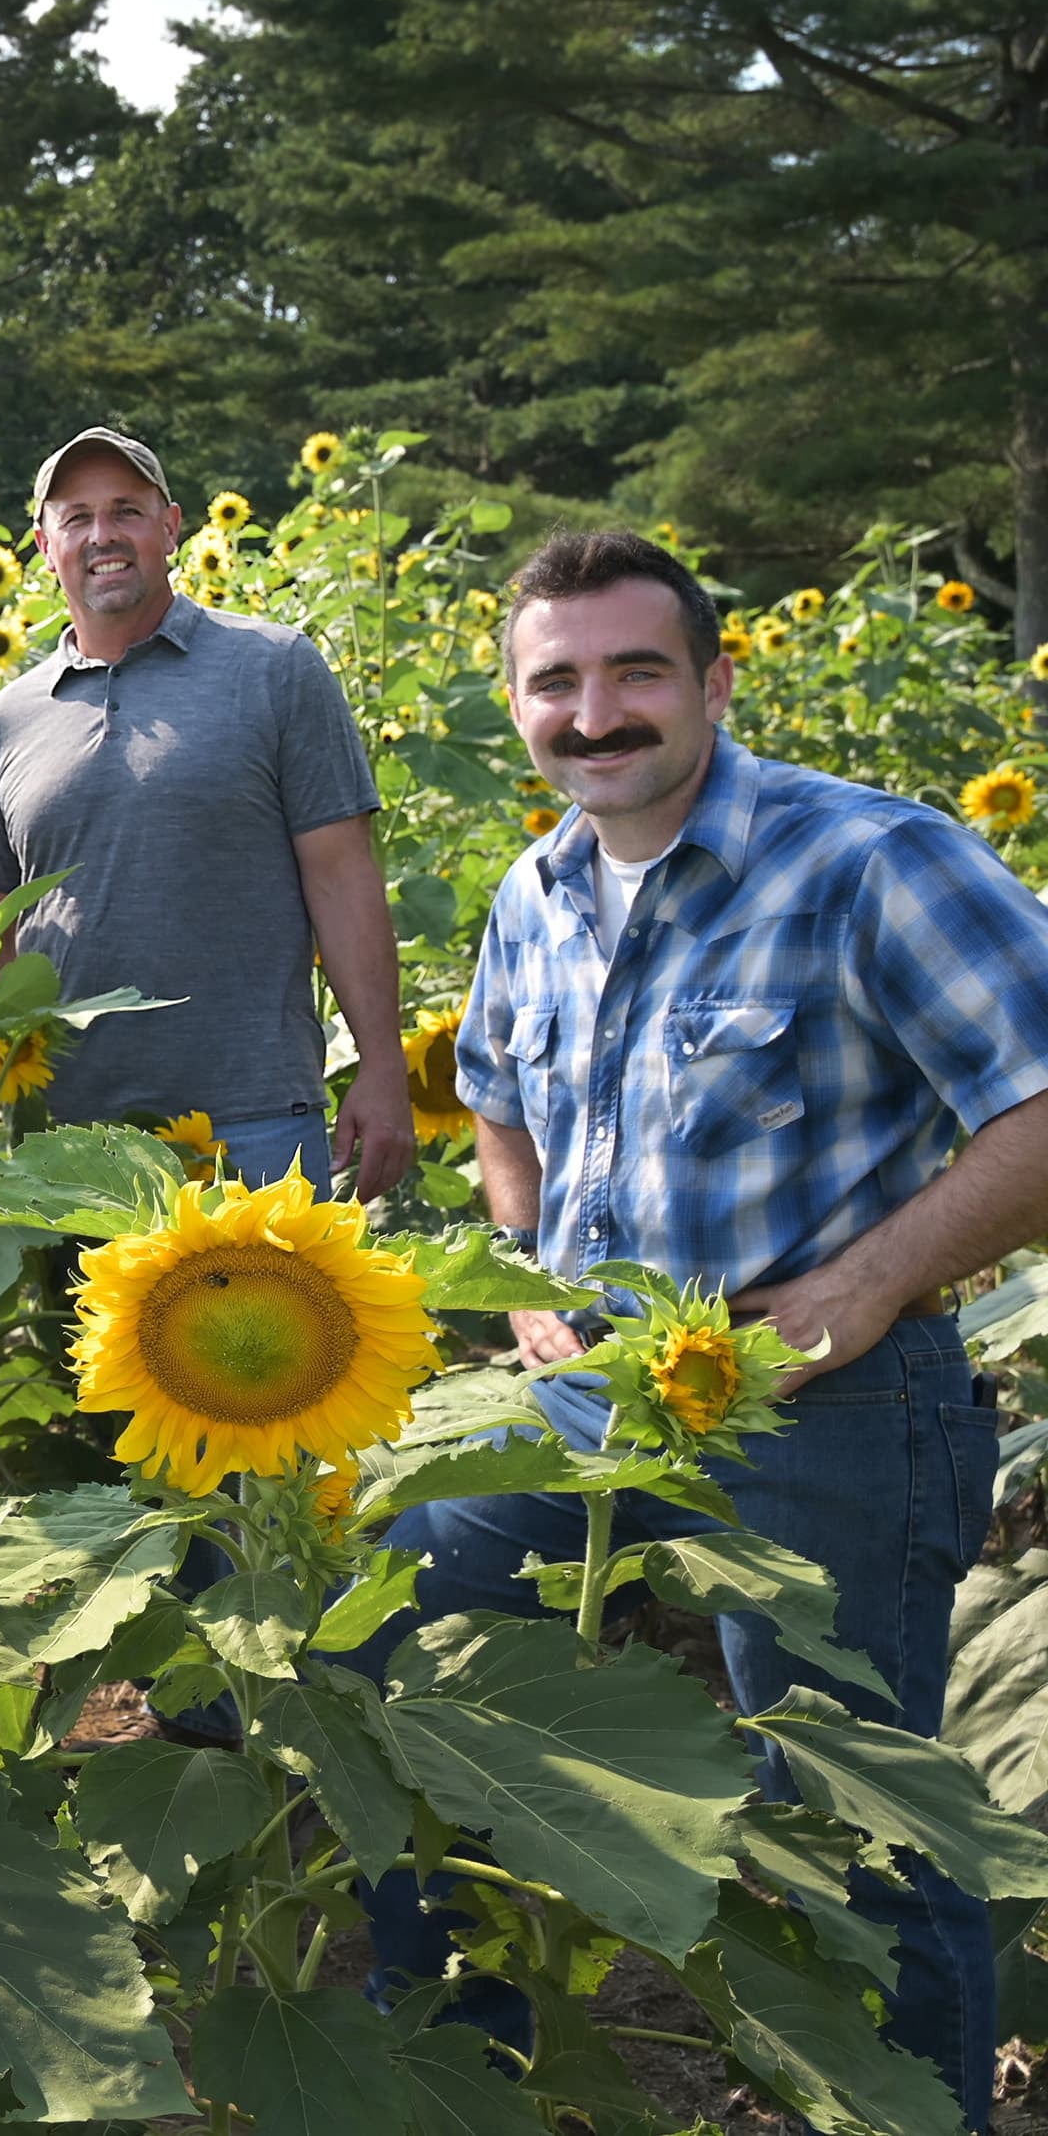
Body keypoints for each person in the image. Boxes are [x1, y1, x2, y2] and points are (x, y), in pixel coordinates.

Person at [361, 528, 1028, 2122]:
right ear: (514, 700)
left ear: (717, 679)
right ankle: (468, 2069)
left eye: (636, 672)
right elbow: (502, 1105)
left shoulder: (868, 859)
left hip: (827, 1398)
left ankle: (902, 2106)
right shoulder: (535, 886)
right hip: (595, 1393)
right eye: (557, 681)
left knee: (852, 1803)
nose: (595, 713)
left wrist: (868, 1280)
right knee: (408, 1660)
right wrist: (526, 1275)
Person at [0, 426, 412, 1194]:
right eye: (76, 518)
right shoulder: (8, 718)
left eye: (126, 511)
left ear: (171, 527)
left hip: (254, 1119)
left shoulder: (274, 669)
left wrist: (382, 1066)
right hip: (75, 1134)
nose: (102, 536)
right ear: (45, 547)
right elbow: (1, 927)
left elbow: (343, 879)